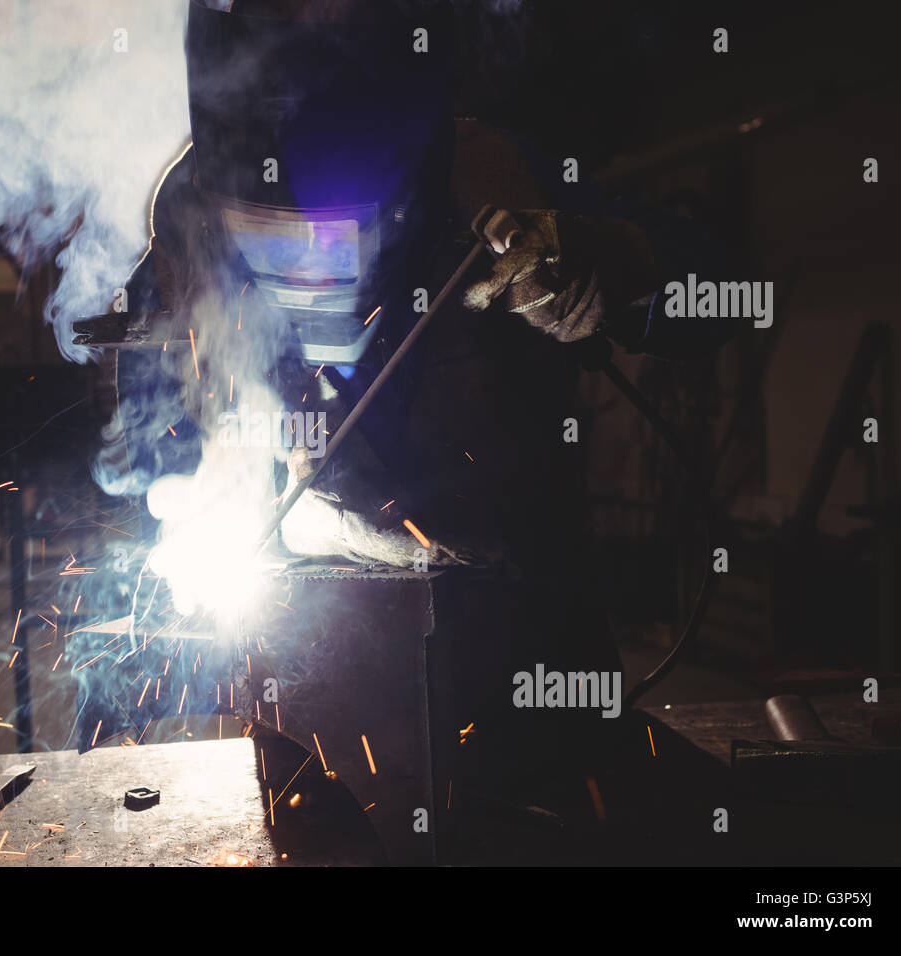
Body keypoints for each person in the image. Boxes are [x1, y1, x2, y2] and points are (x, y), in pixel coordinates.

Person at [109, 0, 734, 819]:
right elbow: (158, 426)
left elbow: (727, 292)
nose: (314, 270)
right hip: (321, 691)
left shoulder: (491, 178)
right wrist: (183, 523)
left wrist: (617, 271)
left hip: (524, 654)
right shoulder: (188, 211)